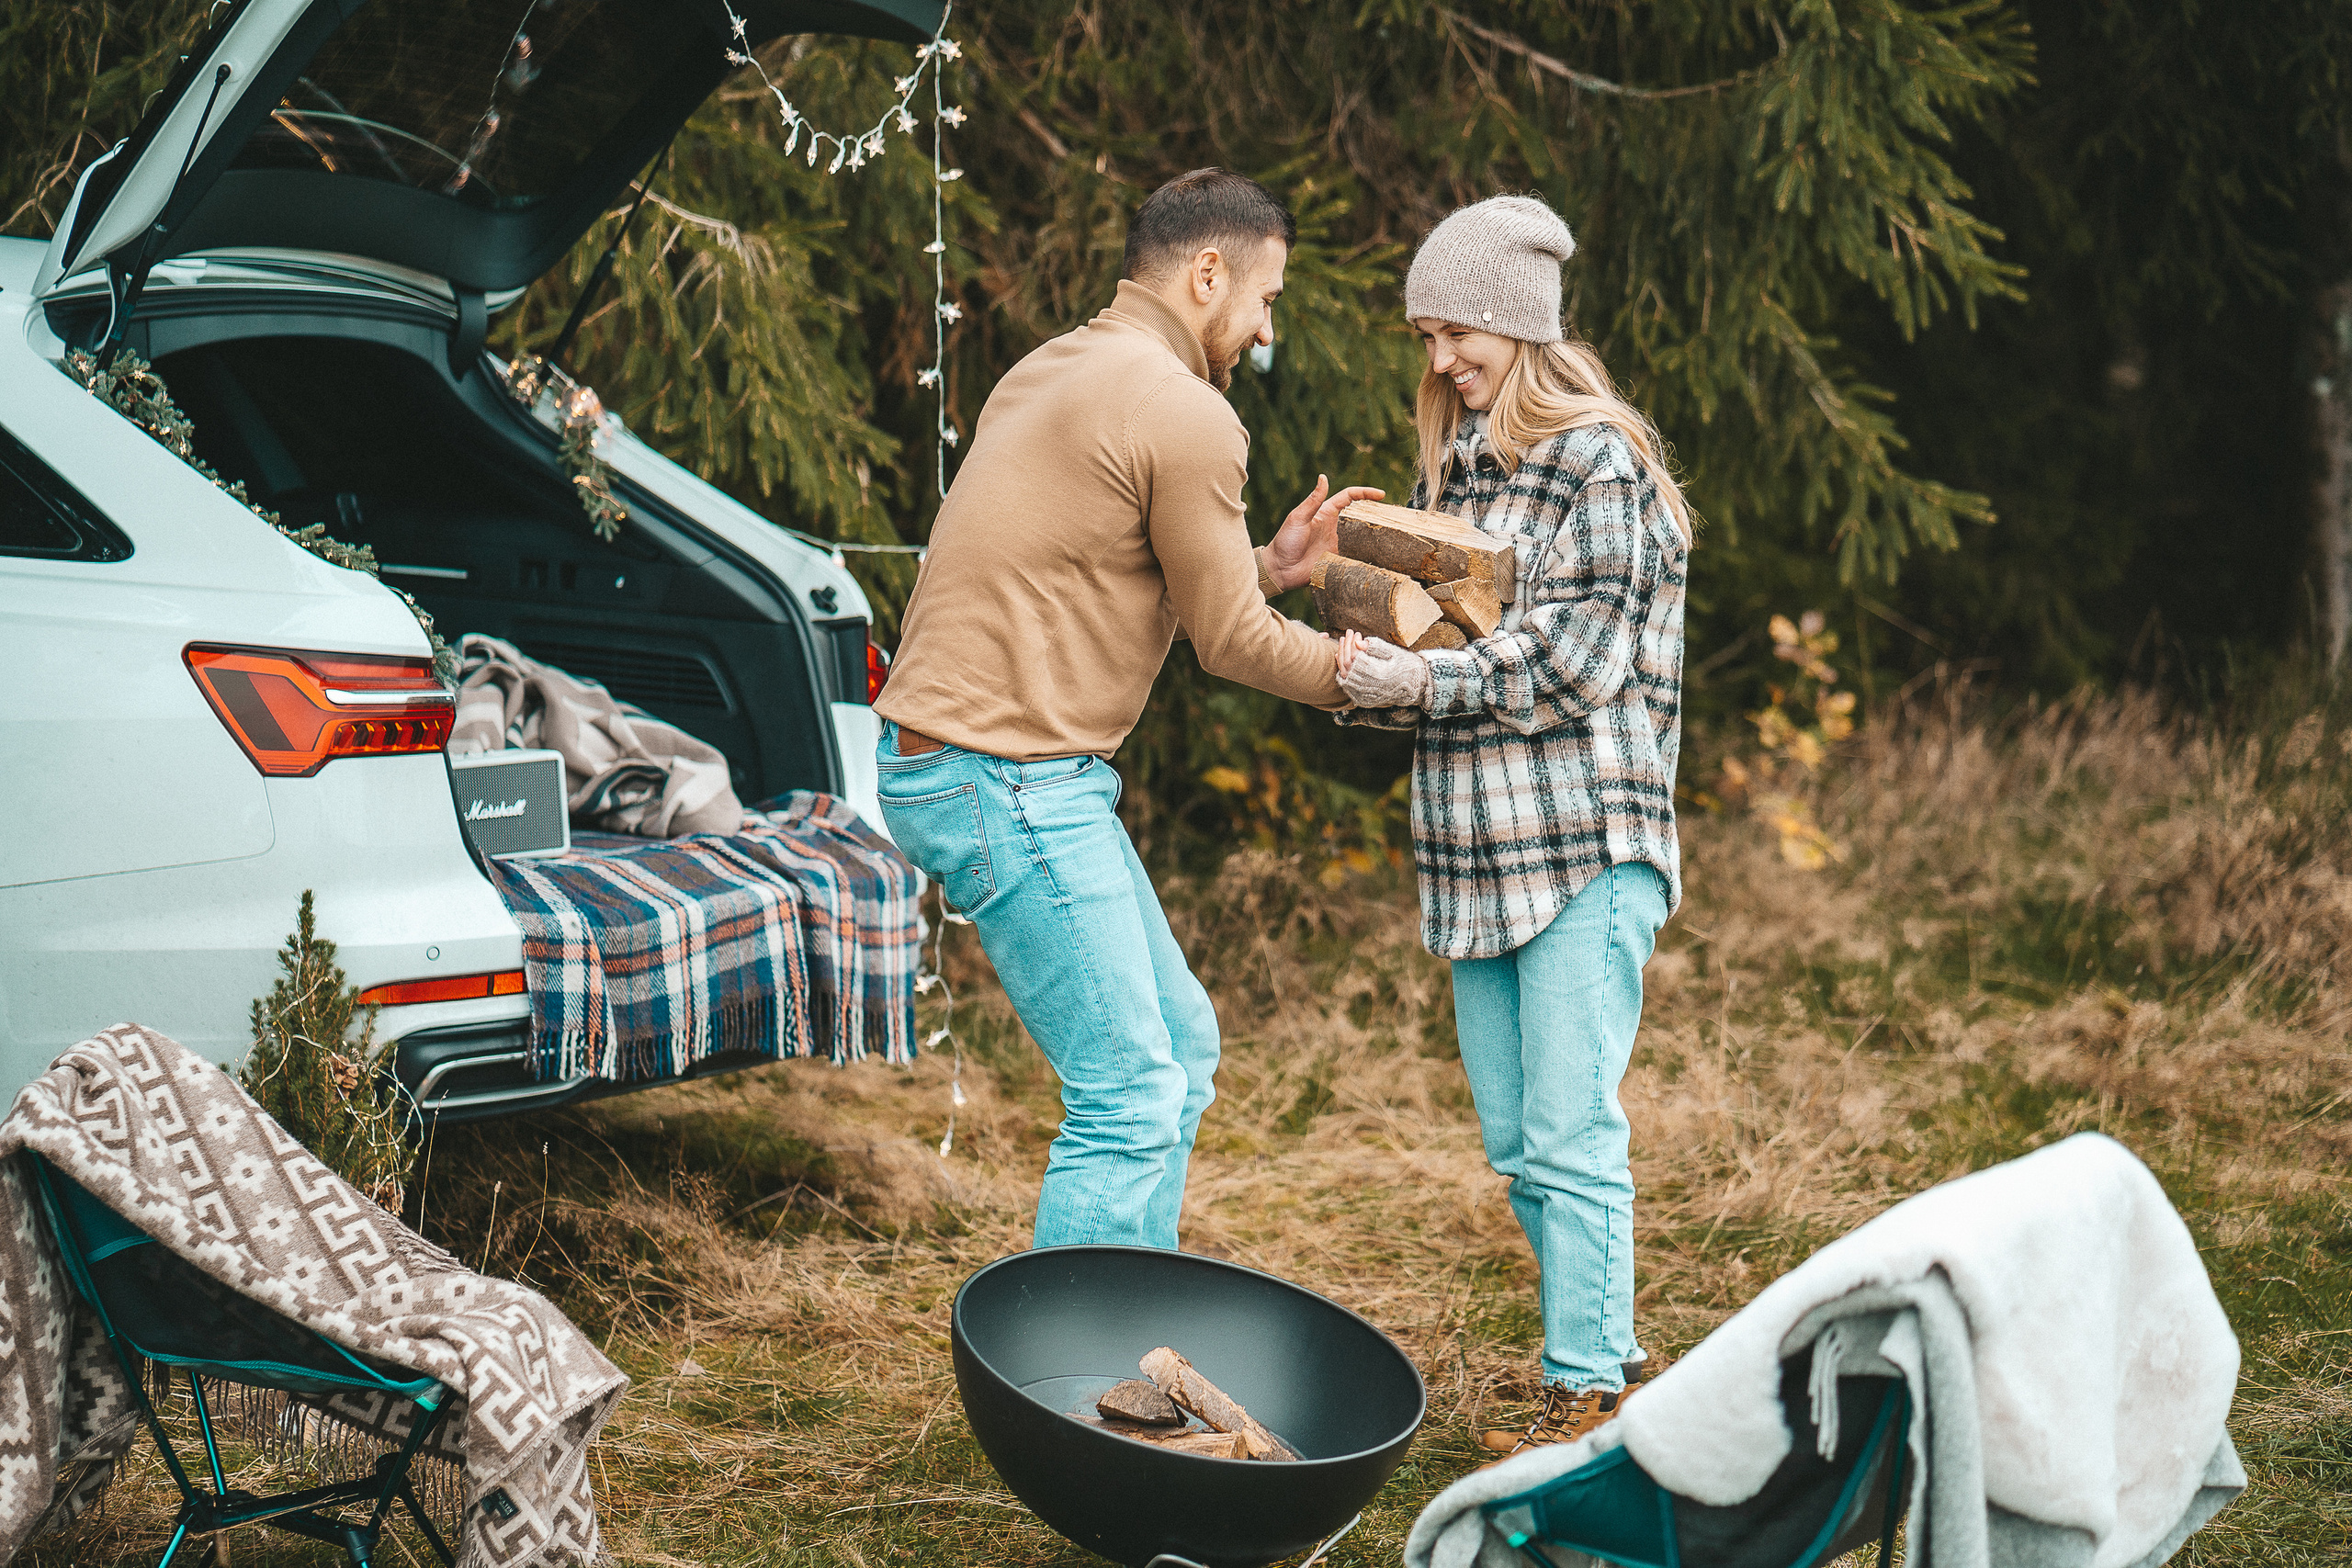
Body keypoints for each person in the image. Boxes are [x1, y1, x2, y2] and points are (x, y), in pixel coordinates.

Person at [875, 168, 1384, 1252]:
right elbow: (1232, 642)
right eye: (1266, 300)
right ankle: (1074, 1385)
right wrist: (1370, 678)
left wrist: (1274, 566)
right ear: (1209, 273)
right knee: (1129, 1093)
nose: (1261, 331)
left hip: (978, 766)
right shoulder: (1185, 412)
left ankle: (1125, 1320)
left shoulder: (1055, 367)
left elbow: (1113, 574)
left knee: (1180, 1050)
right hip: (1001, 776)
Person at [1334, 195, 1692, 1456]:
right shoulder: (1459, 477)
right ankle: (1625, 1358)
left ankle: (1587, 1387)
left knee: (1570, 1127)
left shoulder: (1599, 462)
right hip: (1476, 853)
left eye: (1457, 332)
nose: (1440, 361)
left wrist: (1419, 679)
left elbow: (1574, 663)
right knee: (1516, 1143)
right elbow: (1444, 663)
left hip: (1586, 845)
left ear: (1516, 323)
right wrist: (1366, 635)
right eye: (1427, 338)